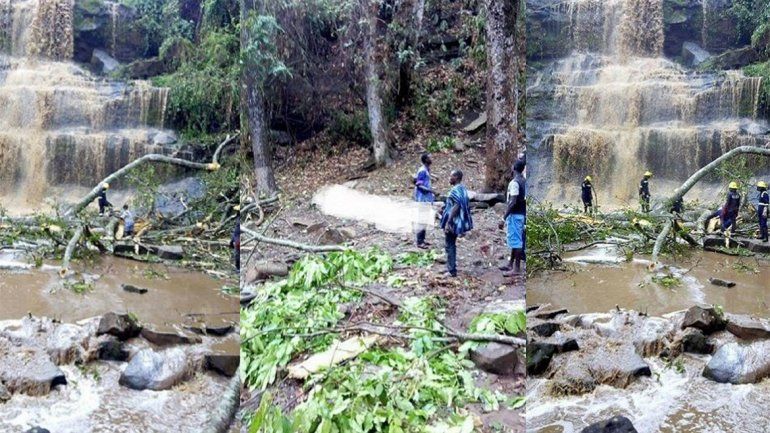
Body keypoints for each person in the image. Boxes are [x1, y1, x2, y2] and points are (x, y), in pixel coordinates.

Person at [439, 170, 473, 277]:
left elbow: (457, 205)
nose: (449, 178)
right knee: (451, 244)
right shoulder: (462, 189)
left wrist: (448, 221)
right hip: (459, 222)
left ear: (457, 177)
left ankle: (451, 270)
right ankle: (451, 268)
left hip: (453, 222)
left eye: (451, 176)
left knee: (449, 244)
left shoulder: (455, 190)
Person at [500, 160, 527, 276]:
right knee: (516, 239)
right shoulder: (524, 181)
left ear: (513, 168)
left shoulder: (515, 183)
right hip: (522, 214)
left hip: (515, 215)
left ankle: (516, 268)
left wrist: (503, 218)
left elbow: (512, 202)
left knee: (517, 241)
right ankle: (511, 263)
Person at [413, 153, 436, 249]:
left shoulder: (426, 170)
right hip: (422, 199)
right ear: (426, 159)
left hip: (426, 198)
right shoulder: (422, 171)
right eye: (430, 157)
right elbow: (418, 184)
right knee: (422, 220)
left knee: (425, 219)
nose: (432, 158)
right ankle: (419, 242)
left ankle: (422, 240)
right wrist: (430, 190)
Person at [230, 205, 241, 272]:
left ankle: (238, 268)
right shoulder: (238, 218)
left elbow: (236, 232)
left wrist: (232, 241)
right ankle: (238, 268)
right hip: (236, 238)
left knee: (237, 254)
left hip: (238, 239)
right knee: (237, 254)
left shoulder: (239, 220)